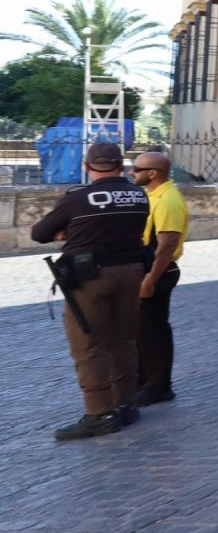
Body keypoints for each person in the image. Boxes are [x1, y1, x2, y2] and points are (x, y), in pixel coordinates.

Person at [30, 141, 151, 440]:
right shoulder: (139, 195)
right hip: (132, 272)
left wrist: (67, 231)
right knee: (124, 339)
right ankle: (124, 404)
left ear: (86, 166)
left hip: (90, 276)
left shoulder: (78, 199)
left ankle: (99, 413)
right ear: (121, 166)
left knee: (89, 344)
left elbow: (40, 233)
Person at [132, 151, 189, 406]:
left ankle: (159, 386)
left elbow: (166, 245)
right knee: (141, 330)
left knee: (154, 330)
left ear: (152, 173)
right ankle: (142, 382)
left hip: (158, 270)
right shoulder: (151, 195)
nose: (132, 173)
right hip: (146, 267)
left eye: (136, 168)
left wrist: (150, 280)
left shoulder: (168, 200)